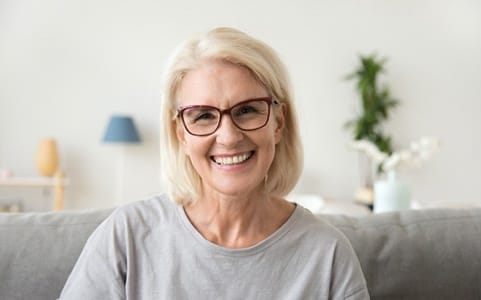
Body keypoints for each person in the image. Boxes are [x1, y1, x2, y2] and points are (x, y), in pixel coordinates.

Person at [60, 27, 369, 299]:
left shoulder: (327, 254)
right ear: (180, 132)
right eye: (204, 116)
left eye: (247, 110)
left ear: (277, 123)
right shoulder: (126, 236)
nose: (229, 136)